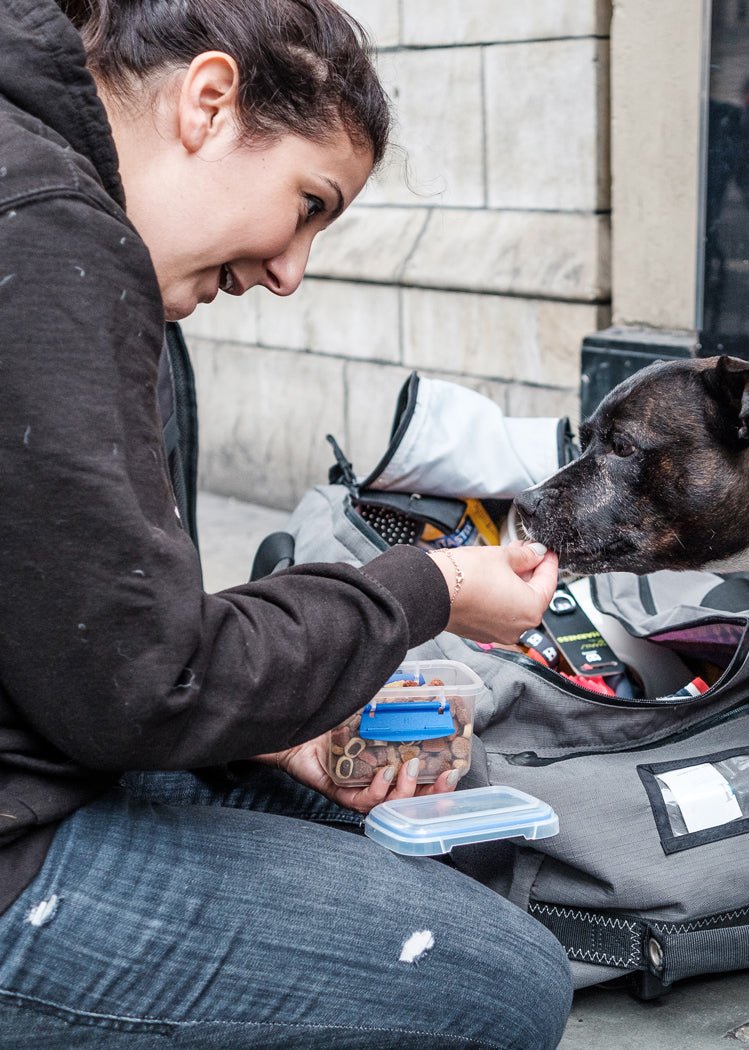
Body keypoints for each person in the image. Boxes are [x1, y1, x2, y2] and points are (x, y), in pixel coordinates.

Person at [0, 1, 573, 1047]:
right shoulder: (52, 231)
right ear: (207, 102)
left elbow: (71, 632)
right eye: (307, 204)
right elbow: (144, 687)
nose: (289, 268)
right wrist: (432, 588)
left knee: (311, 812)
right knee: (502, 983)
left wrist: (265, 736)